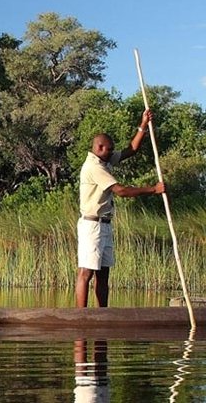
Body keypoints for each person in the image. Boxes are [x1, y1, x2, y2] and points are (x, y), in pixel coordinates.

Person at [75, 109, 165, 308]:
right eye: (109, 149)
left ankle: (102, 315)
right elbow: (121, 190)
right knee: (86, 272)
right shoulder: (94, 167)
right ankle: (80, 317)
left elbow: (131, 150)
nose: (111, 153)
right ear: (99, 147)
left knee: (103, 273)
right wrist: (153, 189)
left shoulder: (104, 160)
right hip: (92, 225)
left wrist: (143, 125)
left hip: (104, 225)